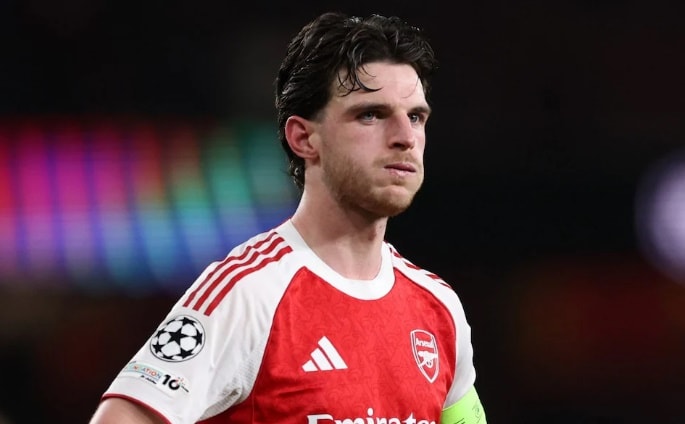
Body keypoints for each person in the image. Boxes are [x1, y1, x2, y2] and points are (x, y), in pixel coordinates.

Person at [89, 11, 487, 424]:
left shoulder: (439, 308)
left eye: (416, 117)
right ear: (303, 138)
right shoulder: (247, 293)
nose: (405, 137)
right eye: (371, 114)